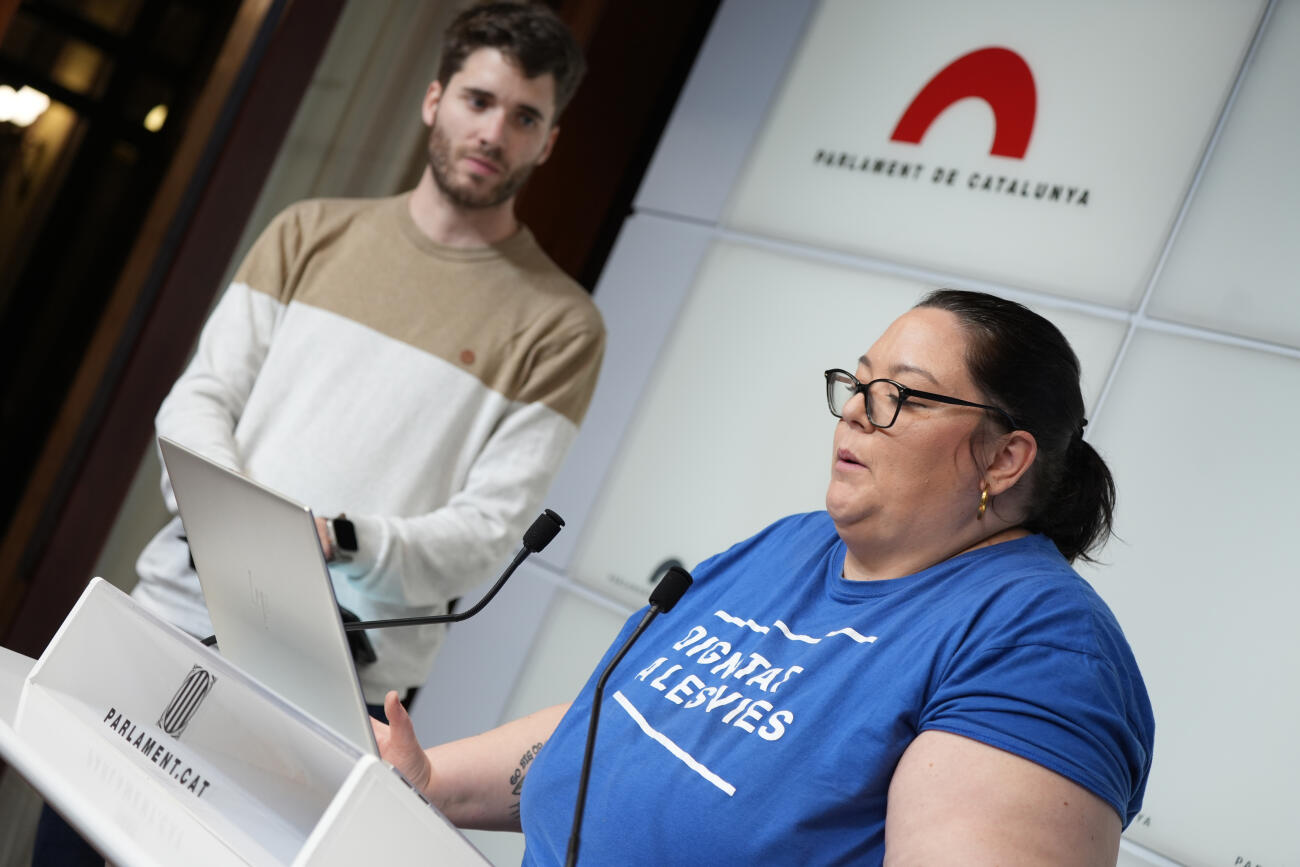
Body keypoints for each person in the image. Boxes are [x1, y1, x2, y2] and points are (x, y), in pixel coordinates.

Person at [373, 289, 1155, 865]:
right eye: (858, 385)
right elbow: (631, 722)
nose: (856, 411)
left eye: (899, 396)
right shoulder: (791, 545)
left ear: (1005, 457)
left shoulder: (1041, 646)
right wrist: (429, 778)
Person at [130, 0, 602, 712]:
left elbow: (487, 530)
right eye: (478, 101)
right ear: (434, 100)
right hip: (175, 607)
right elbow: (202, 398)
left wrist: (342, 539)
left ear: (548, 143)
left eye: (525, 118)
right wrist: (246, 525)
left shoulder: (562, 326)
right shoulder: (308, 232)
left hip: (340, 675)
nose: (493, 133)